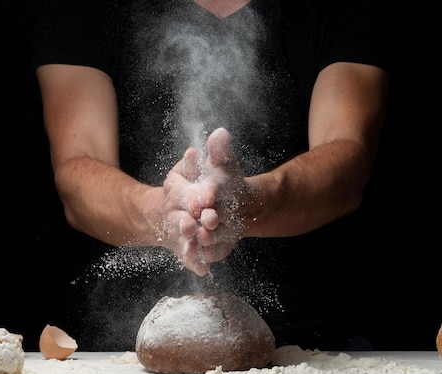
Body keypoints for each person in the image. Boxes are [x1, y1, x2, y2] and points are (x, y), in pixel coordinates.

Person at [31, 0, 390, 351]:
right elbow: (76, 171)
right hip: (121, 352)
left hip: (321, 347)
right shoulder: (84, 7)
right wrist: (162, 212)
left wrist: (247, 203)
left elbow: (348, 158)